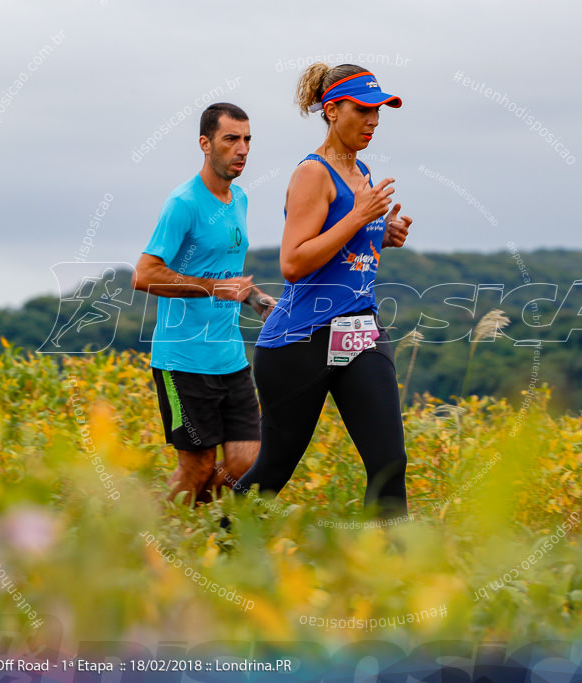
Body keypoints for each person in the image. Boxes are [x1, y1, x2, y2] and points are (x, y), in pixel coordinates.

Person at [233, 63, 413, 519]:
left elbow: (347, 254)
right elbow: (293, 263)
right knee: (274, 469)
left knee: (389, 462)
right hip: (300, 341)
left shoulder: (363, 171)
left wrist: (381, 234)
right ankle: (220, 542)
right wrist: (357, 219)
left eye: (380, 111)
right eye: (364, 110)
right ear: (333, 111)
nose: (374, 121)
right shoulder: (312, 174)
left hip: (358, 330)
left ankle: (398, 579)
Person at [132, 102, 275, 506]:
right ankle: (164, 545)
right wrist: (212, 289)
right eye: (231, 139)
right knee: (196, 467)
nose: (242, 148)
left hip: (229, 358)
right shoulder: (183, 203)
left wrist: (260, 300)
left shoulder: (240, 199)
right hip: (183, 362)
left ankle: (201, 536)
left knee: (246, 464)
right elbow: (143, 274)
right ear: (205, 143)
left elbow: (227, 276)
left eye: (247, 139)